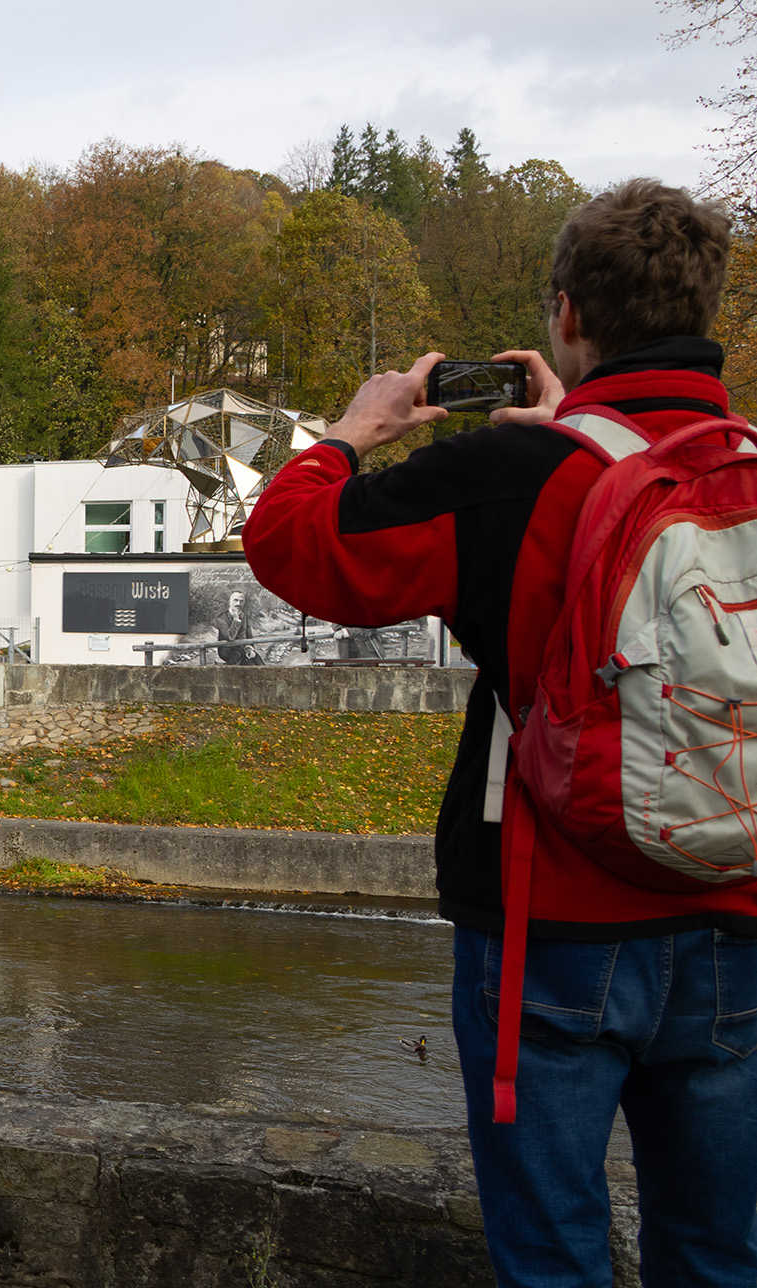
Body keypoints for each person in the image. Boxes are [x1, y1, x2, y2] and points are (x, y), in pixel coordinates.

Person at [242, 180, 757, 1286]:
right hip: (736, 914)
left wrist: (351, 431)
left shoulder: (511, 476)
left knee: (553, 1259)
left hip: (553, 922)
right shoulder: (743, 469)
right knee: (720, 1254)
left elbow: (290, 543)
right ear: (705, 305)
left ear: (566, 315)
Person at [212, 589, 259, 665]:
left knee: (257, 660)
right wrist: (236, 620)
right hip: (227, 650)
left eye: (241, 601)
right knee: (244, 659)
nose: (238, 604)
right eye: (235, 600)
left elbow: (249, 636)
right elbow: (230, 637)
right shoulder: (221, 618)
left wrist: (249, 648)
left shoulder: (245, 617)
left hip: (242, 649)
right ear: (229, 602)